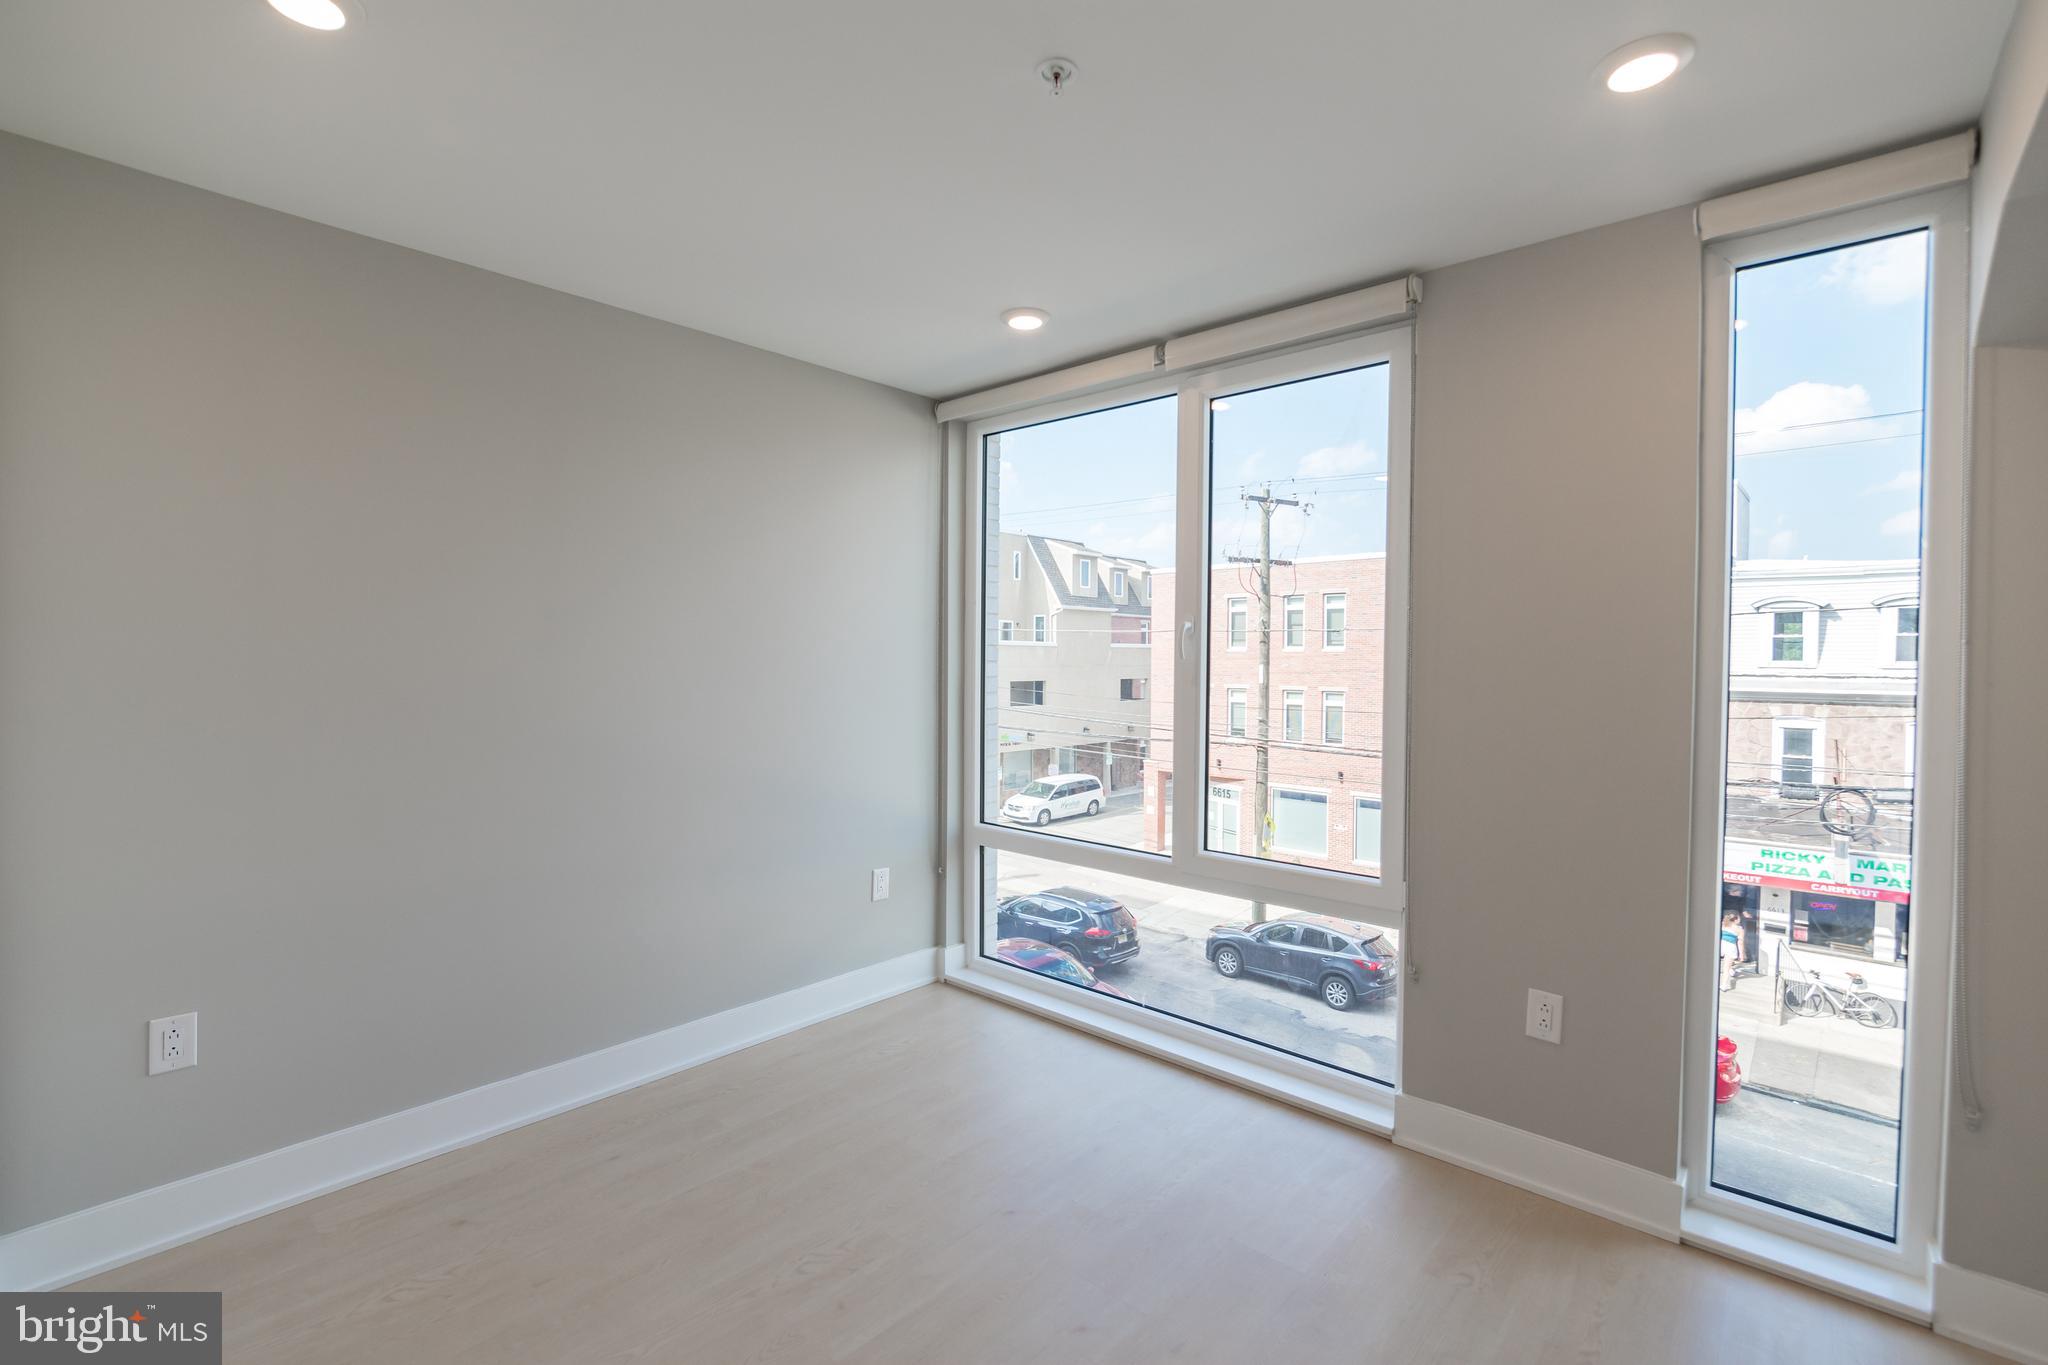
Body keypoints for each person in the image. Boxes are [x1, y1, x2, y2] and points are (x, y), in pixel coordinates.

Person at [1720, 910, 1743, 992]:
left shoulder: (1724, 924)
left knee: (1726, 964)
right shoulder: (1739, 929)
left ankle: (1731, 971)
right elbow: (1740, 943)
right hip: (1730, 947)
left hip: (1721, 944)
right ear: (1736, 919)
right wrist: (1742, 955)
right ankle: (1724, 985)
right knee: (1726, 967)